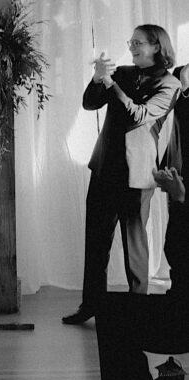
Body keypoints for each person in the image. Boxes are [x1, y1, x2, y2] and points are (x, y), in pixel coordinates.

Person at [63, 25, 180, 325]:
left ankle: (138, 313)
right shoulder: (124, 73)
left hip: (137, 176)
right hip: (104, 169)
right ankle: (90, 305)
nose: (132, 47)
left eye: (138, 42)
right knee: (96, 245)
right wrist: (97, 79)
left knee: (135, 251)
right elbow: (90, 103)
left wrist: (110, 83)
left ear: (156, 46)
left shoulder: (170, 84)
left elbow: (137, 115)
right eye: (131, 42)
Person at [96, 163, 189, 380]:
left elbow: (177, 252)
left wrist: (178, 199)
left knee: (112, 313)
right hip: (180, 310)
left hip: (182, 319)